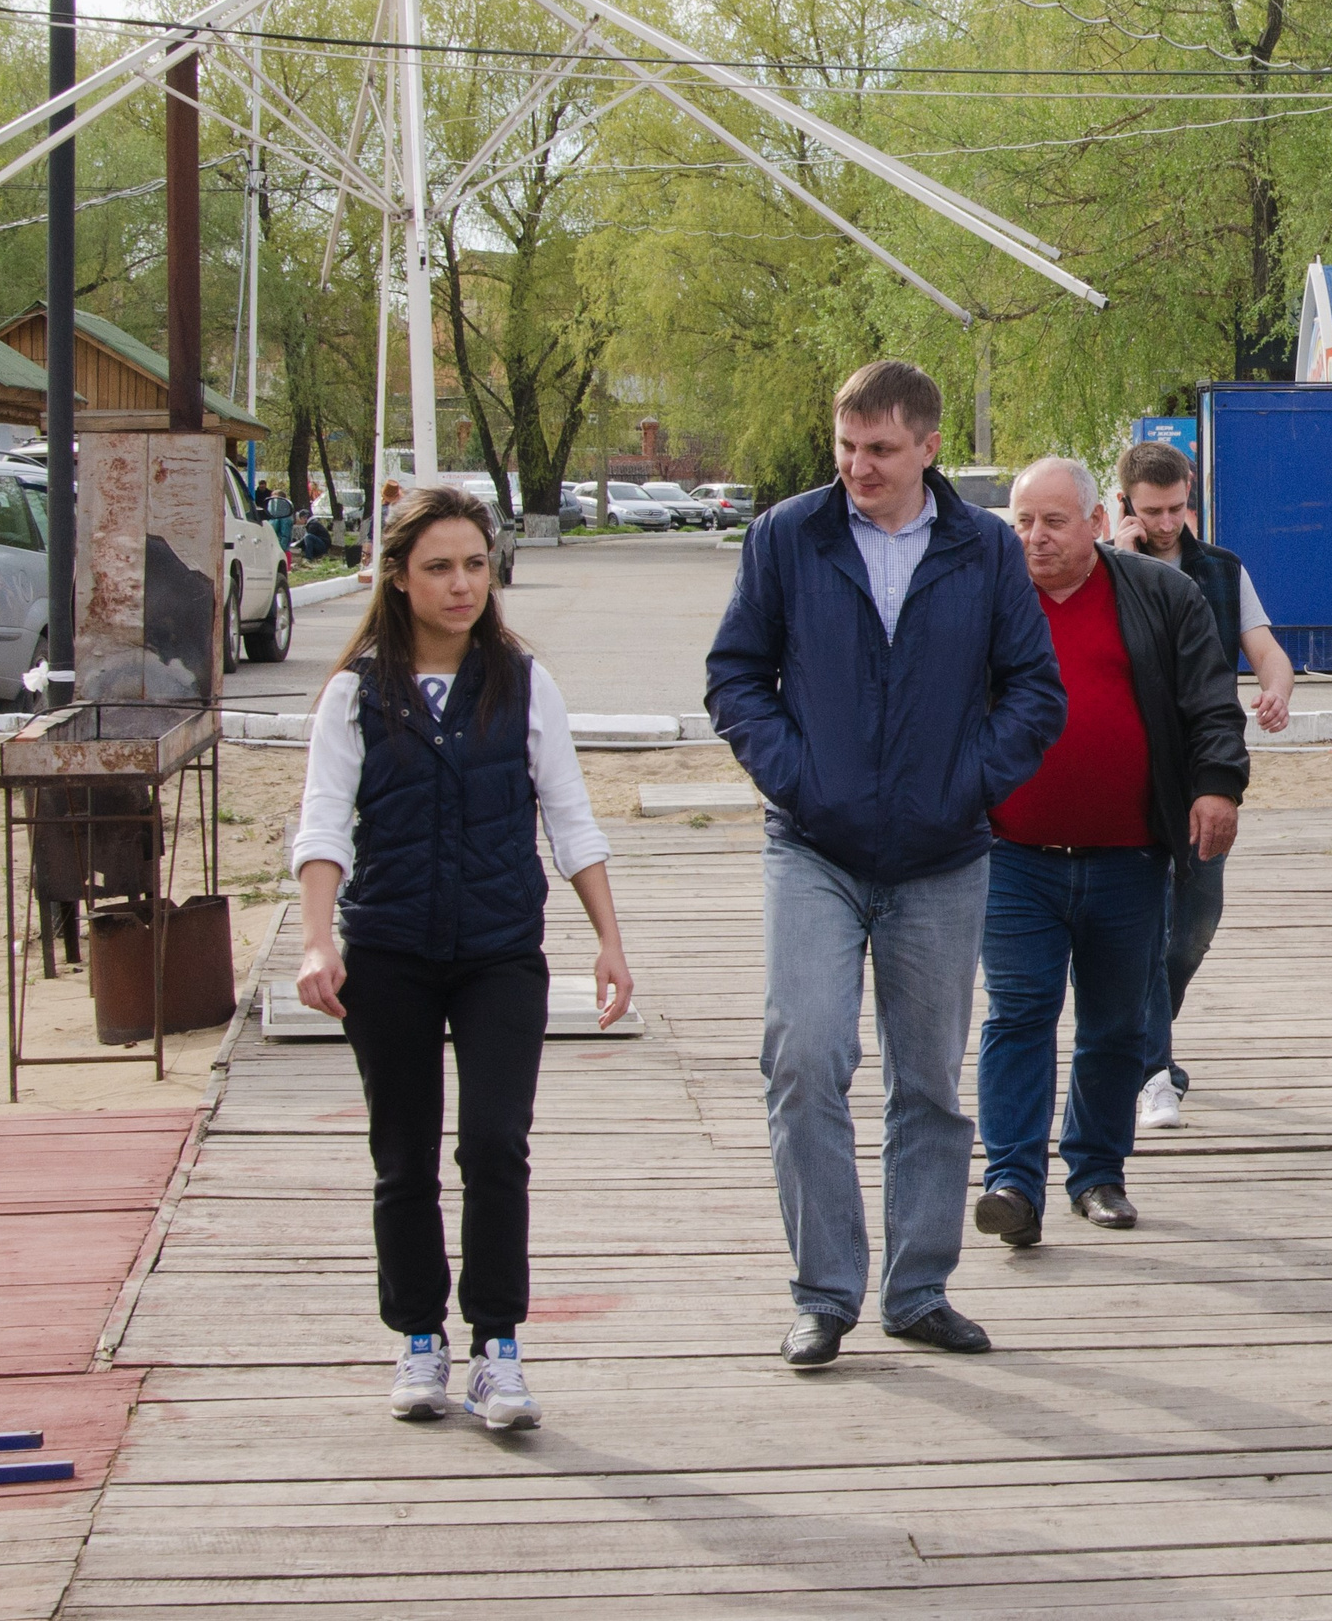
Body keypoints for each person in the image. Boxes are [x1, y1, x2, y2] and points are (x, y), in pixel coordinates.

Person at [705, 361, 1065, 1370]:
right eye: (847, 447)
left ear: (927, 449)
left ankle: (917, 1289)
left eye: (880, 451)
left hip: (942, 855)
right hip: (814, 845)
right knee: (804, 1056)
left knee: (930, 1083)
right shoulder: (789, 536)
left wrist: (968, 783)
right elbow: (735, 674)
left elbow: (1034, 689)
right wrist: (797, 775)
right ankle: (824, 1292)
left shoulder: (984, 549)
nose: (859, 467)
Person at [289, 485, 635, 1432]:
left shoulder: (524, 681)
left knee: (493, 1146)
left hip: (497, 955)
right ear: (398, 579)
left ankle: (497, 1347)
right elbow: (324, 825)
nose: (461, 584)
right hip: (390, 952)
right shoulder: (356, 692)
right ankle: (417, 1338)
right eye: (439, 567)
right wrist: (318, 938)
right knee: (402, 1157)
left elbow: (569, 814)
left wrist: (608, 939)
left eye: (475, 565)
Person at [972, 458, 1248, 1245]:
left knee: (1116, 1022)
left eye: (1053, 521)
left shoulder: (1161, 595)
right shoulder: (987, 600)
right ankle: (1012, 1183)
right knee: (1019, 1010)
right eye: (1022, 521)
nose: (1034, 537)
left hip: (1129, 855)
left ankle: (1096, 1171)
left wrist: (1217, 784)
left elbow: (1208, 701)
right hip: (1011, 853)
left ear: (1097, 522)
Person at [1109, 439, 1292, 1130]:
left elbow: (1266, 649)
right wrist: (1122, 557)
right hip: (1129, 772)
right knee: (1145, 925)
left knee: (1192, 928)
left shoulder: (1220, 568)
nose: (1164, 522)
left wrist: (1276, 690)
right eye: (1151, 510)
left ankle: (1132, 1040)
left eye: (1176, 507)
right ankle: (1153, 1067)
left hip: (1204, 767)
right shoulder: (1104, 567)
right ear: (1126, 502)